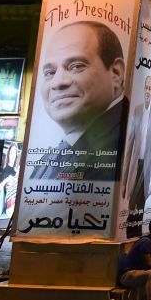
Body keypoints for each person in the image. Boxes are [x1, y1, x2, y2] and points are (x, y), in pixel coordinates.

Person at [30, 21, 128, 181]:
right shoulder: (53, 156)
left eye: (76, 66)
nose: (58, 82)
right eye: (50, 72)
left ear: (116, 73)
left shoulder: (119, 149)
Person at [122, 74, 151, 238]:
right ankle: (130, 233)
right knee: (132, 203)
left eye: (150, 88)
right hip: (134, 165)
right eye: (146, 87)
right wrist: (124, 181)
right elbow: (129, 144)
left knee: (142, 203)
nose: (148, 91)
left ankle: (137, 235)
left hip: (146, 166)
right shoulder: (137, 111)